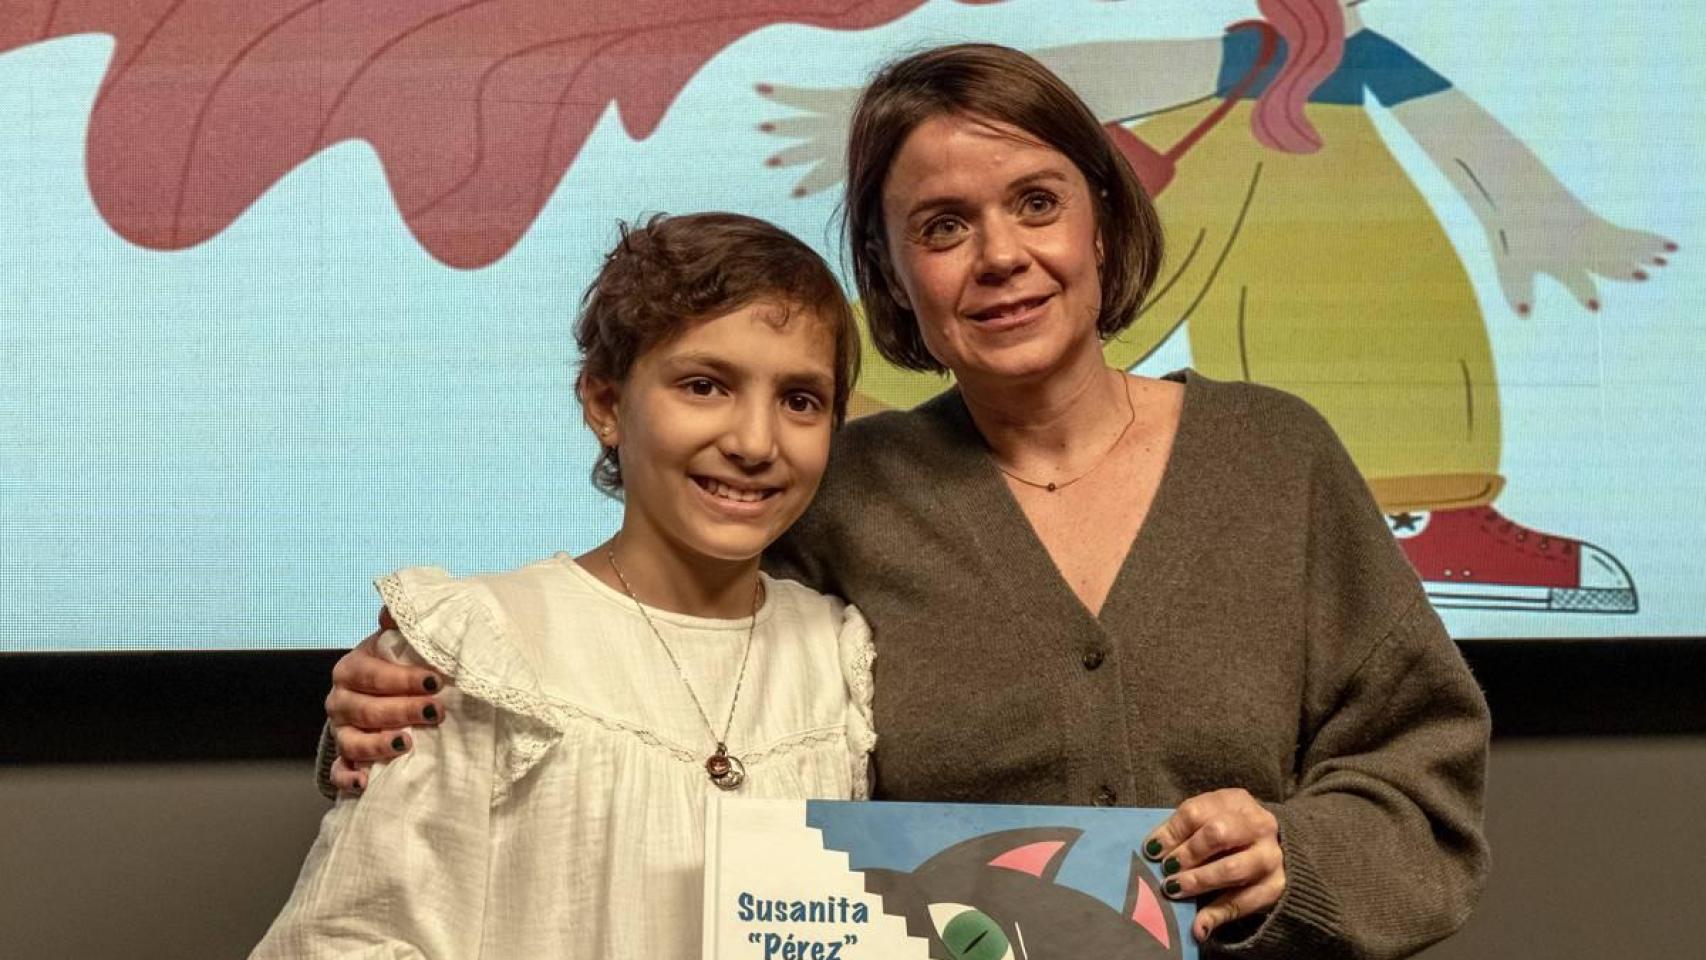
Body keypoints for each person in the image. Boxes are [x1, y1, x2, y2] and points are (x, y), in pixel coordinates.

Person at [320, 45, 1490, 958]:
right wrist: (395, 705)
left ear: (1099, 218)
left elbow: (1417, 758)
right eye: (940, 227)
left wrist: (1299, 855)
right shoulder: (843, 491)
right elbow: (668, 702)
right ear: (891, 276)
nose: (997, 255)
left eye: (1035, 202)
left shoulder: (1273, 460)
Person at [253, 212, 874, 958]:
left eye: (800, 400)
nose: (753, 442)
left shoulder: (838, 661)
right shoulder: (491, 650)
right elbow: (349, 936)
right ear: (607, 404)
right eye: (704, 385)